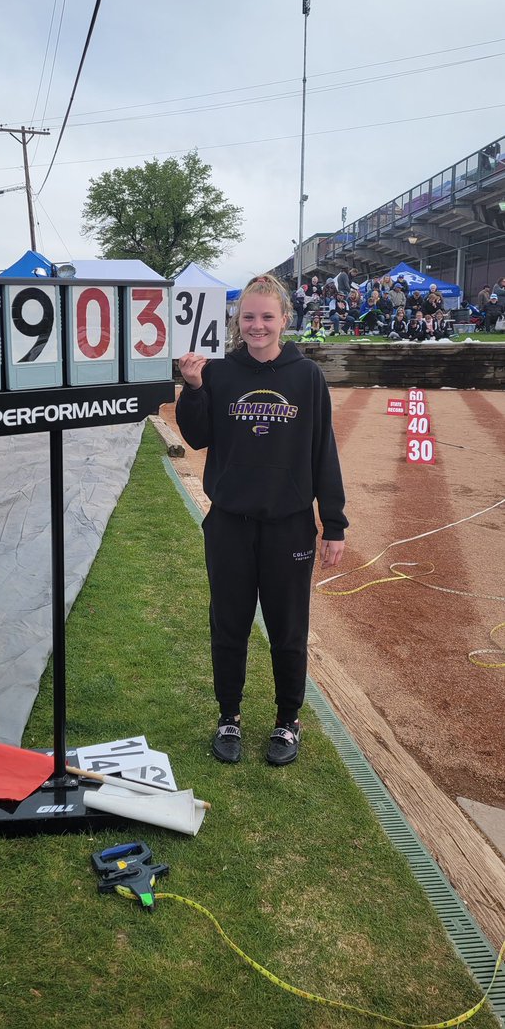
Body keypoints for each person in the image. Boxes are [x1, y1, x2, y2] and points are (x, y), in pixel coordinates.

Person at [176, 273, 347, 767]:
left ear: (284, 319)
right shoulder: (221, 373)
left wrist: (332, 523)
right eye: (248, 316)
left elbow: (323, 453)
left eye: (267, 316)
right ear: (237, 320)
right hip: (229, 523)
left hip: (288, 525)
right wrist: (193, 388)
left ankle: (287, 721)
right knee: (228, 625)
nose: (257, 325)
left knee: (288, 628)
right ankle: (228, 715)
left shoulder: (307, 377)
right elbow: (197, 436)